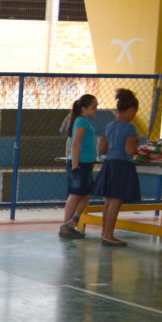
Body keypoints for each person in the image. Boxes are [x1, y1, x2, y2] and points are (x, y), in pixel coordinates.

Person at [92, 88, 142, 247]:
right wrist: (137, 144)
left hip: (109, 164)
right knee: (116, 202)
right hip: (122, 166)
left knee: (108, 201)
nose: (134, 115)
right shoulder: (130, 128)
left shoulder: (110, 125)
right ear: (131, 110)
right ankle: (109, 235)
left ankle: (104, 233)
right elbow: (129, 151)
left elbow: (101, 148)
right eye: (134, 112)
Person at [59, 94, 98, 239]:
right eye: (93, 107)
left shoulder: (80, 121)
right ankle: (66, 226)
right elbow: (75, 143)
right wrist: (74, 164)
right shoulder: (81, 122)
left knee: (86, 194)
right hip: (80, 164)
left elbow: (69, 142)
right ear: (84, 109)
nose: (96, 110)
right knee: (75, 195)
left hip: (85, 163)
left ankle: (72, 221)